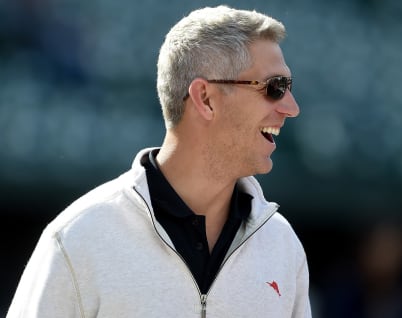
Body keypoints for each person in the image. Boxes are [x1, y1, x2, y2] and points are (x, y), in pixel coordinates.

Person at [7, 5, 312, 318]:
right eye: (275, 88)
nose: (291, 107)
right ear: (205, 98)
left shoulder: (282, 245)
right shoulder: (78, 237)